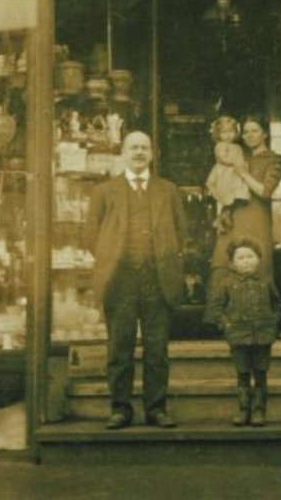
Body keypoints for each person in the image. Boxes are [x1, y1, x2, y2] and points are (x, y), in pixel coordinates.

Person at [85, 130, 187, 430]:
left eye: (145, 147)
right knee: (120, 348)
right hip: (120, 281)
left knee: (157, 350)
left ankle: (156, 409)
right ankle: (120, 409)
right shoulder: (104, 191)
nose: (139, 152)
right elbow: (91, 235)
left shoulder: (168, 190)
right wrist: (114, 259)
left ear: (152, 153)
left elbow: (181, 232)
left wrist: (164, 258)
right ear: (124, 153)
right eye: (134, 148)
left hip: (157, 280)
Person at [206, 115, 281, 322]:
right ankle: (221, 321)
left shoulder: (273, 159)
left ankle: (259, 322)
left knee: (256, 264)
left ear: (265, 133)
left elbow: (265, 191)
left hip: (256, 218)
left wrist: (243, 173)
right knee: (224, 262)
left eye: (255, 131)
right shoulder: (239, 154)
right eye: (246, 131)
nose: (249, 135)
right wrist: (224, 211)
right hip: (234, 217)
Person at [207, 237, 280, 427]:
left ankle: (259, 410)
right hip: (238, 337)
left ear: (258, 259)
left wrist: (271, 323)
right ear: (232, 262)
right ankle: (244, 410)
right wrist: (227, 326)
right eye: (240, 258)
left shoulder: (266, 281)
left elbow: (277, 304)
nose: (246, 261)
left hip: (262, 336)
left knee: (261, 374)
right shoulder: (226, 283)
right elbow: (216, 308)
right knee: (243, 374)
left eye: (250, 256)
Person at [205, 115, 251, 228]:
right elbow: (222, 158)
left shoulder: (237, 147)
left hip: (236, 174)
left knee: (238, 198)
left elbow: (242, 158)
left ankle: (226, 216)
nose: (227, 135)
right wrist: (233, 162)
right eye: (224, 133)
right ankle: (223, 216)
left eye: (230, 132)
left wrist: (244, 164)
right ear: (218, 134)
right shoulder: (220, 146)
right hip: (225, 173)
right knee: (227, 197)